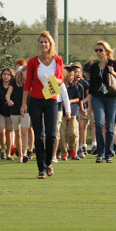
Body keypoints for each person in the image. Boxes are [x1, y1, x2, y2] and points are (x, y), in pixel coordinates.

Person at [21, 31, 66, 176]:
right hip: (35, 101)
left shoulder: (58, 60)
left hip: (52, 100)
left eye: (46, 42)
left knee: (52, 134)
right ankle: (41, 168)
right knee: (38, 135)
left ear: (50, 44)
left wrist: (56, 80)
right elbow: (28, 83)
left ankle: (49, 162)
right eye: (41, 42)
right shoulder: (33, 61)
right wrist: (24, 104)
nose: (43, 44)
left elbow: (61, 79)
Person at [86, 40, 116, 164]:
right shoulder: (94, 67)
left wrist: (112, 72)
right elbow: (91, 87)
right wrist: (90, 105)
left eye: (100, 50)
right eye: (96, 50)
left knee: (110, 126)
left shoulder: (113, 63)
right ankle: (100, 153)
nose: (98, 52)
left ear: (106, 51)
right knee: (99, 124)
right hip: (97, 98)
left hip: (111, 98)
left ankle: (109, 153)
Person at [62, 66, 82, 160]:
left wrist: (69, 101)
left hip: (73, 112)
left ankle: (73, 150)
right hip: (61, 113)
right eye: (70, 75)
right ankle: (64, 153)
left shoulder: (74, 86)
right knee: (62, 134)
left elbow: (78, 98)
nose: (72, 77)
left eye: (73, 75)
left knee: (73, 133)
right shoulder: (59, 86)